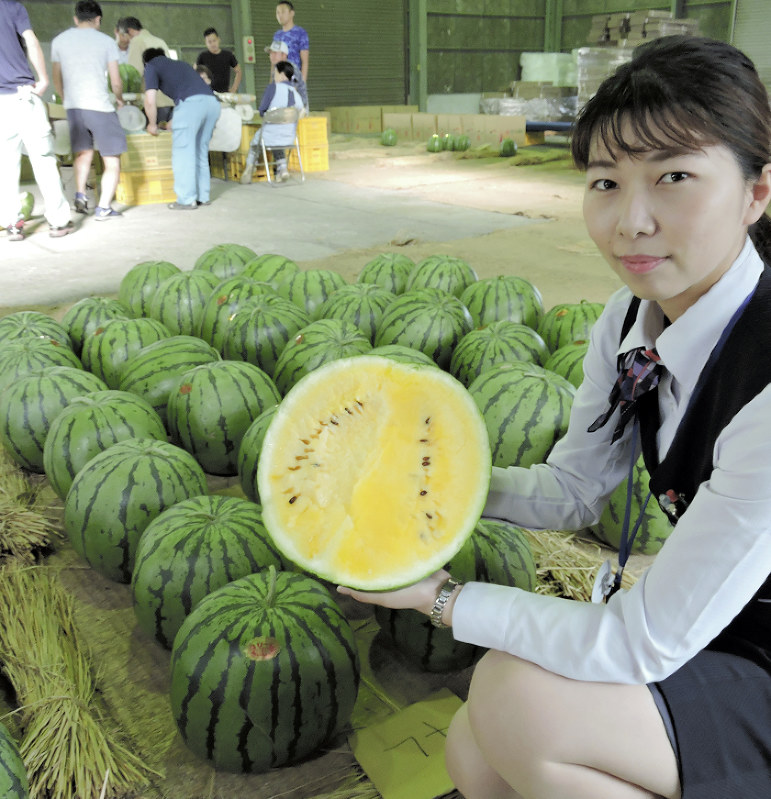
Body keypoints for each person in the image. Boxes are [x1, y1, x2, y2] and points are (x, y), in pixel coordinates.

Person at [340, 35, 771, 799]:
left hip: (753, 657)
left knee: (516, 700)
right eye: (605, 182)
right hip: (703, 620)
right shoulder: (626, 319)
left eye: (673, 176)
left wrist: (439, 598)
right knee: (475, 749)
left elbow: (639, 641)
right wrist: (432, 485)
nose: (630, 220)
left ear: (755, 192)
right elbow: (572, 489)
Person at [0, 0, 73, 240]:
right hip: (23, 96)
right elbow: (31, 40)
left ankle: (12, 224)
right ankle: (59, 222)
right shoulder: (12, 7)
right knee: (43, 159)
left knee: (5, 166)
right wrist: (43, 78)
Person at [51, 0, 126, 221]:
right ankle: (103, 208)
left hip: (74, 108)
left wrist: (67, 99)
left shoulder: (59, 41)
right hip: (100, 106)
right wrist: (119, 99)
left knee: (83, 153)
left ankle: (81, 195)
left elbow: (57, 77)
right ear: (98, 19)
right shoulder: (105, 42)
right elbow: (116, 79)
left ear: (76, 19)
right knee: (112, 159)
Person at [142, 47, 220, 210]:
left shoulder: (151, 66)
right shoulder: (181, 65)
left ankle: (186, 199)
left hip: (191, 104)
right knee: (200, 150)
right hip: (212, 103)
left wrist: (152, 124)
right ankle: (202, 196)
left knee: (183, 152)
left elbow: (150, 100)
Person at [240, 59, 302, 185]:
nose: (274, 76)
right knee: (276, 143)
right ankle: (283, 168)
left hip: (270, 134)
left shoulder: (272, 88)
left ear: (282, 74)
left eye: (275, 73)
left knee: (255, 143)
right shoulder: (296, 93)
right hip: (289, 137)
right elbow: (300, 111)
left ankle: (248, 169)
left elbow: (263, 110)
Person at [118, 17, 174, 124]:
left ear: (129, 31)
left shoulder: (136, 41)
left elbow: (133, 74)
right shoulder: (159, 41)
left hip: (154, 102)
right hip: (169, 99)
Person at [264, 37, 307, 110]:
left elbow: (293, 93)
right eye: (271, 53)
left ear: (284, 55)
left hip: (297, 111)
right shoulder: (277, 69)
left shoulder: (291, 69)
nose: (272, 56)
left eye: (275, 53)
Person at [196, 27, 241, 94]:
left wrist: (234, 89)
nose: (212, 44)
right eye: (209, 42)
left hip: (224, 94)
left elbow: (239, 71)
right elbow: (195, 73)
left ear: (219, 39)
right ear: (206, 43)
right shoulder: (202, 56)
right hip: (207, 93)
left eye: (214, 40)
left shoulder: (228, 55)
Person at [272, 2, 308, 84]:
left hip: (293, 79)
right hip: (279, 80)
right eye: (277, 12)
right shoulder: (277, 35)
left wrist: (301, 85)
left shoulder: (300, 33)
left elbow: (305, 61)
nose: (280, 15)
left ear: (292, 13)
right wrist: (272, 83)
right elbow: (274, 61)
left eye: (283, 12)